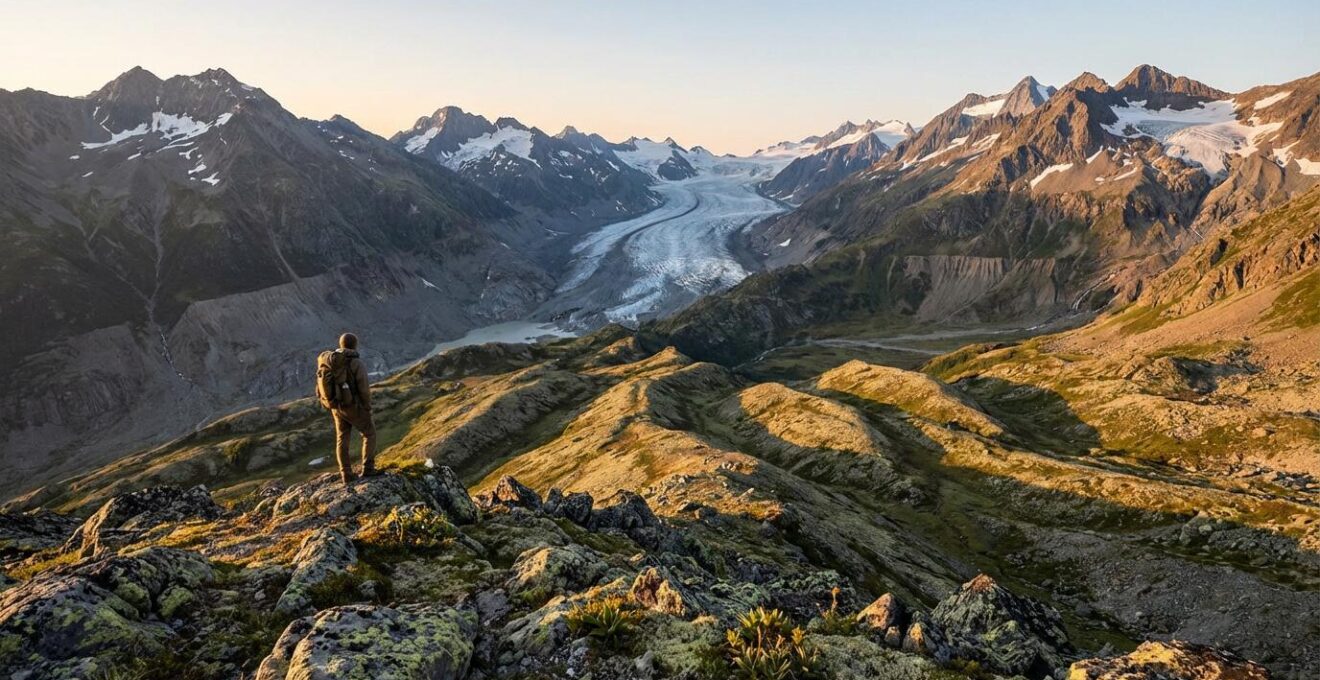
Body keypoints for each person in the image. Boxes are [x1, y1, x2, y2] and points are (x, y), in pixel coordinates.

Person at [327, 332, 376, 485]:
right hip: (353, 405)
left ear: (341, 345)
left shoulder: (332, 362)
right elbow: (363, 388)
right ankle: (368, 469)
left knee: (342, 438)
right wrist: (367, 407)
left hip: (336, 405)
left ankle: (346, 475)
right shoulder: (356, 363)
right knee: (369, 433)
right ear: (355, 345)